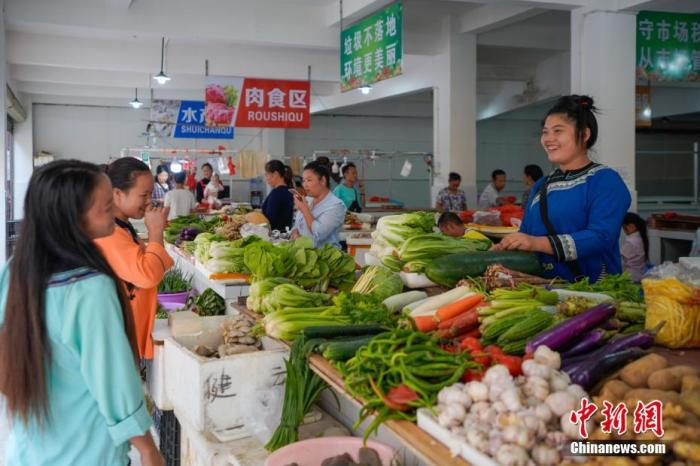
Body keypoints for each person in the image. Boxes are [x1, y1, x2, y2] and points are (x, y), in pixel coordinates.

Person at [0, 160, 163, 466]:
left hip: (29, 451)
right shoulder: (89, 286)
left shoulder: (16, 271)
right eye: (104, 208)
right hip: (88, 452)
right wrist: (147, 448)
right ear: (72, 219)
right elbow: (114, 380)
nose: (113, 216)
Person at [494, 95, 631, 283]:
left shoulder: (605, 180)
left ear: (584, 134)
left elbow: (600, 237)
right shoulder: (541, 185)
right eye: (545, 132)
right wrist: (504, 249)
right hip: (543, 291)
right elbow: (526, 235)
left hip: (593, 294)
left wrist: (536, 243)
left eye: (558, 131)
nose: (549, 139)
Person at [95, 158, 174, 359]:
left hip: (126, 333)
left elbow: (153, 265)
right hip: (116, 341)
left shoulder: (121, 226)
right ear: (117, 194)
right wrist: (155, 231)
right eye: (144, 195)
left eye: (151, 194)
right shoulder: (110, 233)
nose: (149, 200)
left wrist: (157, 231)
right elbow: (148, 275)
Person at [291, 161, 346, 248]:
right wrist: (294, 234)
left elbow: (319, 233)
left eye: (309, 180)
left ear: (323, 180)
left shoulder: (336, 206)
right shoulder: (307, 200)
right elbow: (297, 226)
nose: (304, 185)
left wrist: (305, 210)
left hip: (325, 258)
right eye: (303, 180)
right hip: (303, 254)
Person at [262, 160, 295, 232]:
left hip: (275, 236)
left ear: (275, 174)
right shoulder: (288, 190)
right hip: (284, 235)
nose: (266, 178)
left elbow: (269, 220)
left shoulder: (276, 193)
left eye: (267, 174)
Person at [621, 212, 649, 282]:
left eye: (624, 227)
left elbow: (619, 256)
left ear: (631, 226)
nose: (624, 230)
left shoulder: (630, 242)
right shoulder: (641, 237)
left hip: (631, 277)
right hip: (640, 274)